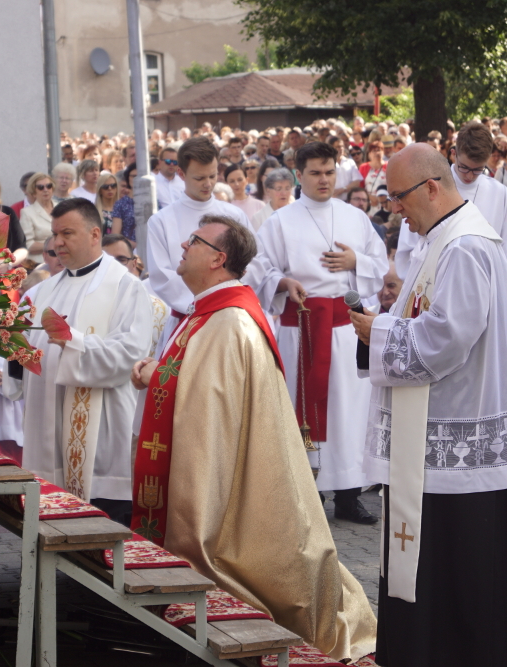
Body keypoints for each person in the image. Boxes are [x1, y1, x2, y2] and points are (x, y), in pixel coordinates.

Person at [130, 215, 377, 662]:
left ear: (218, 258)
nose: (183, 245)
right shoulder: (213, 309)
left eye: (194, 240)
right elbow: (205, 388)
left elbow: (210, 406)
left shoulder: (231, 321)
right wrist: (160, 375)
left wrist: (158, 375)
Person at [351, 144, 507, 666]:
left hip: (456, 443)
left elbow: (448, 338)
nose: (395, 210)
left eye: (399, 197)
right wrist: (386, 323)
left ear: (431, 187)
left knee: (465, 581)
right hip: (435, 443)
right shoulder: (441, 240)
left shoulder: (465, 246)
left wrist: (378, 330)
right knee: (439, 578)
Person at [256, 141, 388, 524]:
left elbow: (380, 266)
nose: (324, 179)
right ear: (299, 175)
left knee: (347, 412)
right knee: (305, 410)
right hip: (302, 331)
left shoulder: (354, 217)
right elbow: (259, 271)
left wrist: (355, 260)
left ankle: (348, 495)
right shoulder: (280, 222)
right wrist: (282, 283)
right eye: (315, 172)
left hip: (345, 329)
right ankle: (304, 495)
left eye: (329, 172)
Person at [3, 199, 151, 523]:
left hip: (101, 441)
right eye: (55, 234)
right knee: (54, 521)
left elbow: (131, 355)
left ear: (95, 234)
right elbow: (25, 362)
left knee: (103, 527)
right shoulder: (41, 292)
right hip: (47, 432)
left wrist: (74, 342)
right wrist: (12, 351)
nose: (57, 242)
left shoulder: (126, 288)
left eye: (67, 233)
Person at [146, 136, 270, 357]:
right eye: (199, 177)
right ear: (181, 174)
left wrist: (225, 301)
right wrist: (203, 305)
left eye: (213, 176)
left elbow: (256, 261)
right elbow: (162, 276)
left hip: (231, 318)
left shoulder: (233, 214)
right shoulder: (162, 221)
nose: (208, 184)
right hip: (186, 319)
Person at [396, 122, 507, 281]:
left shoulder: (501, 195)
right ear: (453, 154)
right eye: (464, 167)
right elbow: (408, 248)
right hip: (435, 285)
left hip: (484, 287)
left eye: (478, 169)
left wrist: (496, 284)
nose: (469, 176)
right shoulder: (427, 190)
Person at [20, 173, 55, 265]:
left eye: (49, 186)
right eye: (40, 187)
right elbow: (29, 245)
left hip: (63, 260)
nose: (45, 190)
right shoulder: (27, 213)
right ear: (33, 192)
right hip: (39, 263)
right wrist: (55, 245)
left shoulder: (62, 208)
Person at [110, 163, 137, 241]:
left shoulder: (154, 202)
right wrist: (135, 245)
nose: (137, 179)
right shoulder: (121, 204)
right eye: (134, 176)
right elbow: (115, 235)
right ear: (128, 178)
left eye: (140, 176)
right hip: (129, 249)